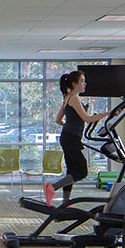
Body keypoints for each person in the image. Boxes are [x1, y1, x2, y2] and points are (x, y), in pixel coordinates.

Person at [44, 70, 113, 205]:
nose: (84, 84)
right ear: (74, 83)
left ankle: (65, 203)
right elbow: (87, 119)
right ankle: (52, 188)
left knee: (71, 171)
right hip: (71, 138)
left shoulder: (68, 97)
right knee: (82, 171)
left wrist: (72, 126)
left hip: (67, 136)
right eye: (82, 81)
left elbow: (59, 120)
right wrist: (109, 112)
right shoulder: (74, 98)